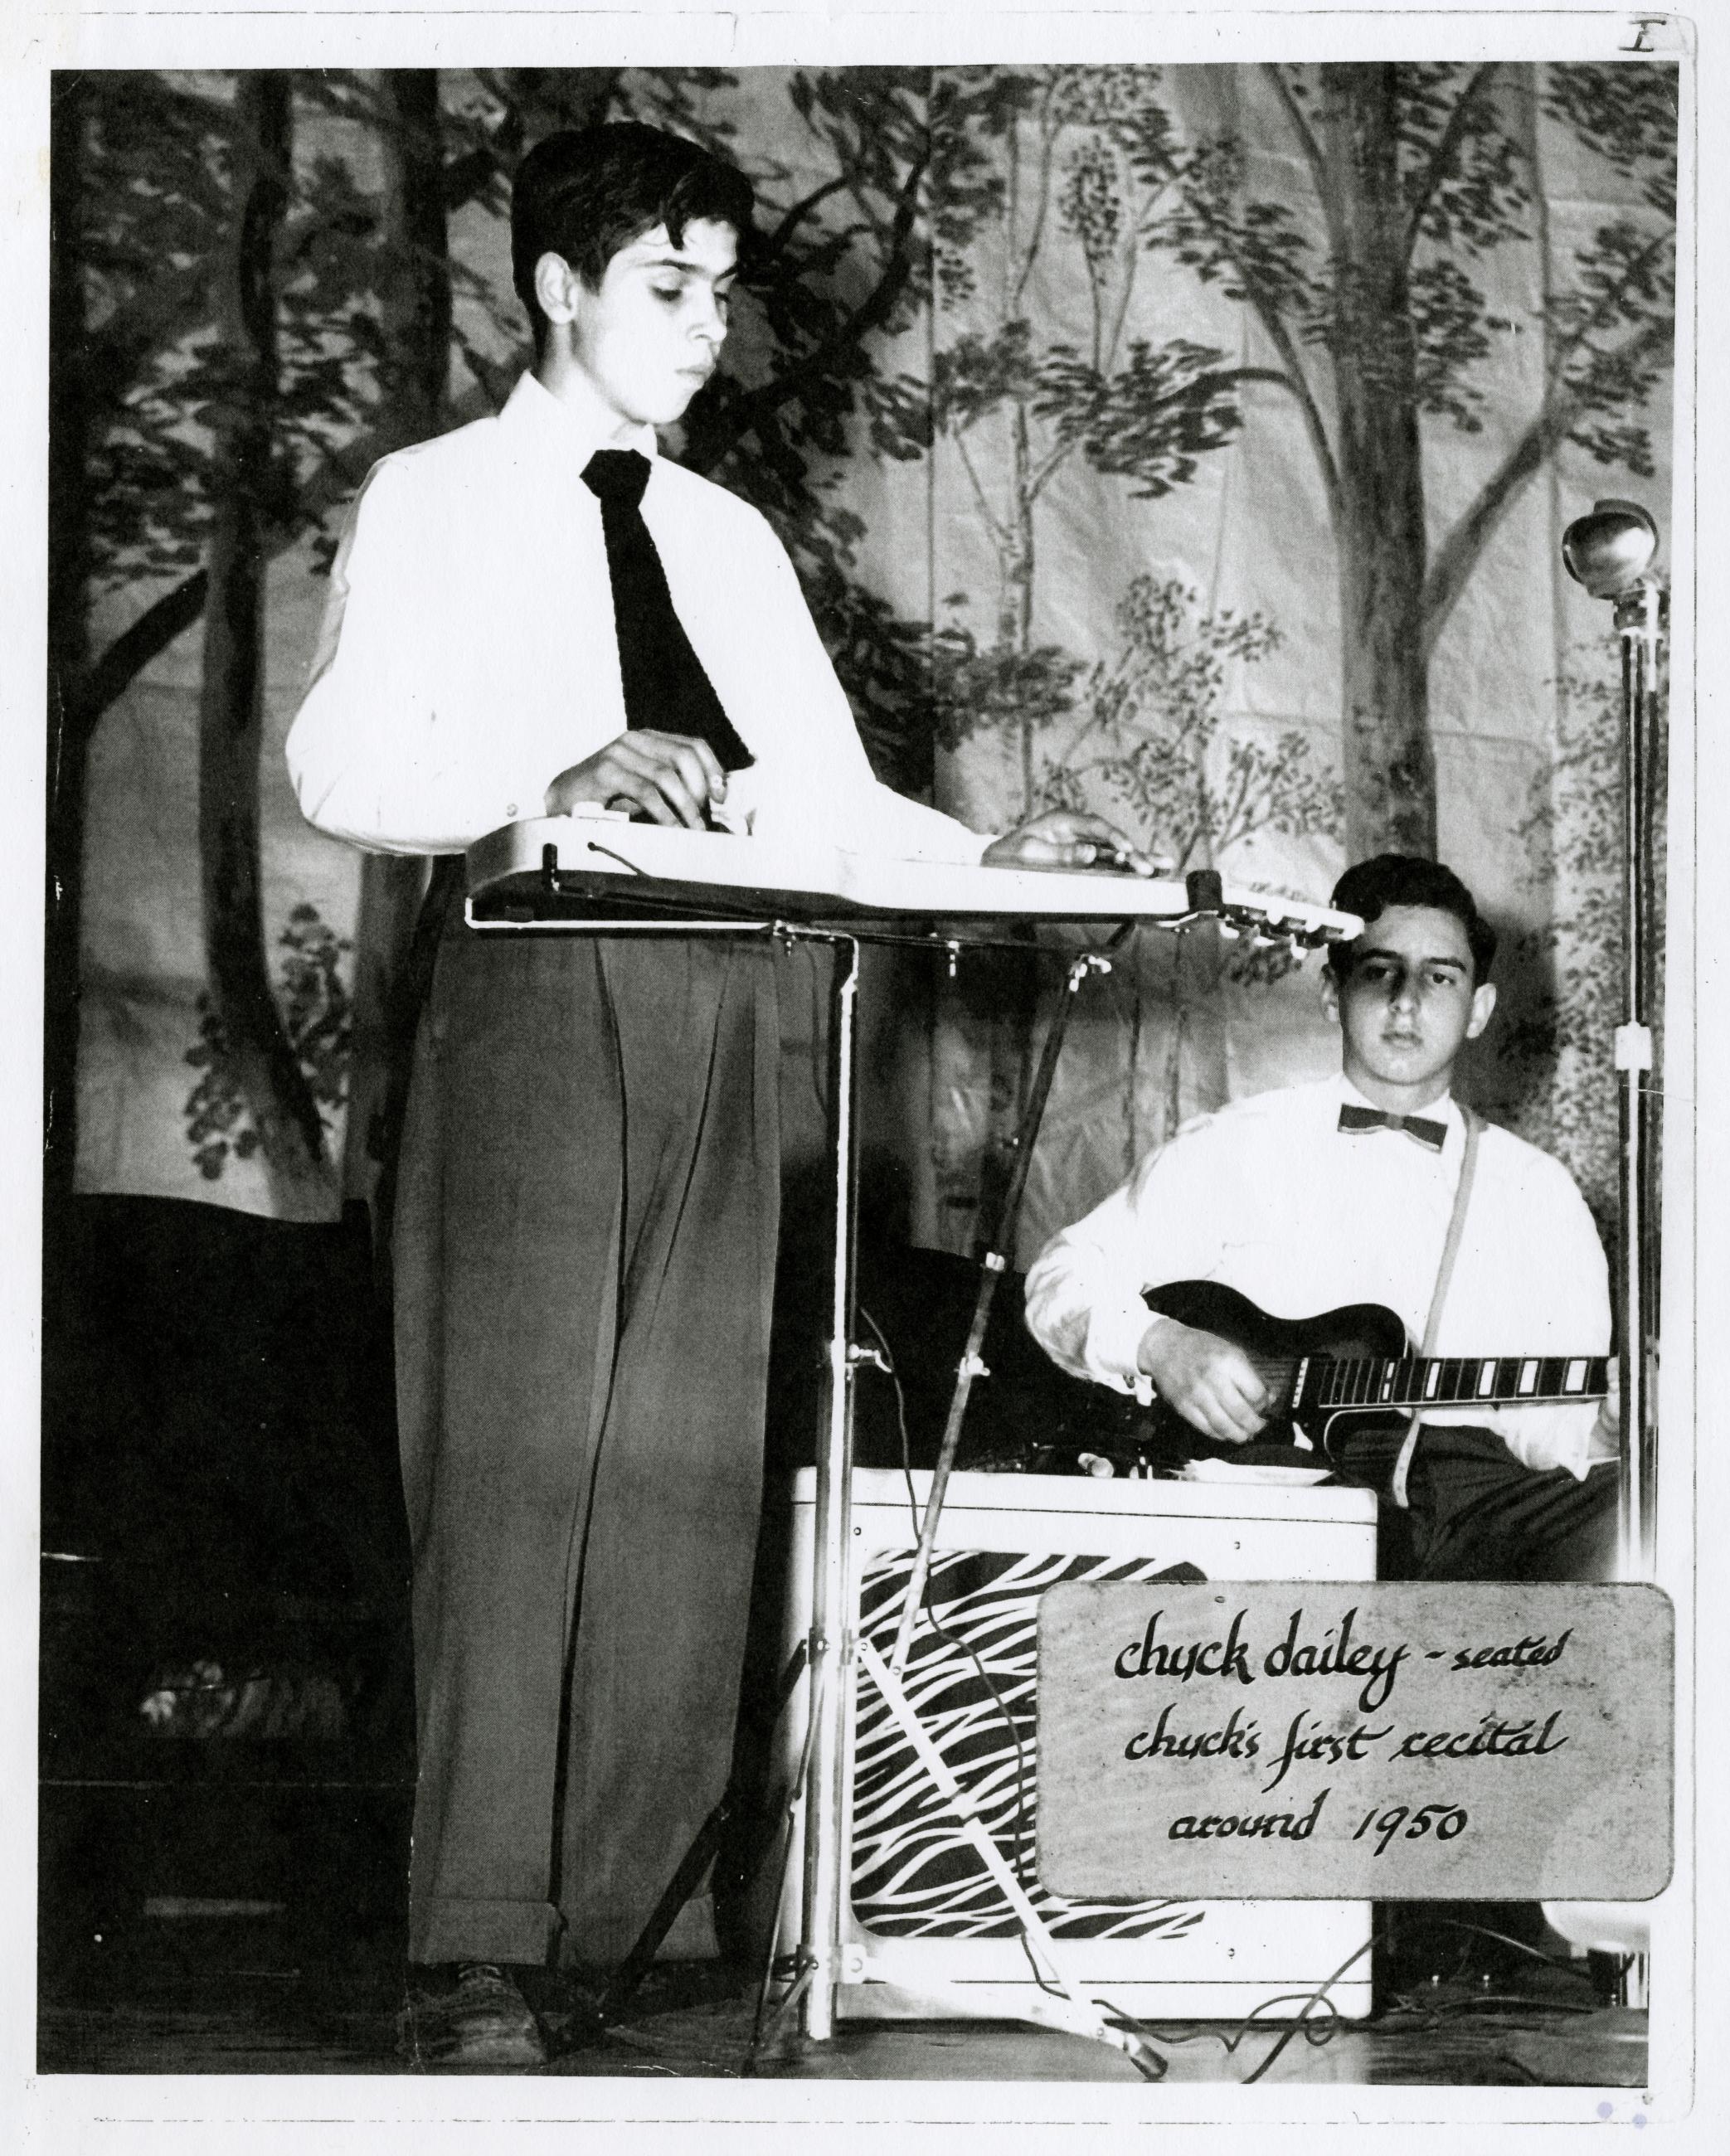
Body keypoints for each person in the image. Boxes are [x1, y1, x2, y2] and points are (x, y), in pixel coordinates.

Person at [286, 122, 1147, 2068]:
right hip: (533, 985)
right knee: (520, 1463)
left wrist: (1000, 856)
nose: (709, 326)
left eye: (723, 288)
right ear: (559, 288)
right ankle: (476, 1941)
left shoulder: (730, 539)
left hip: (741, 994)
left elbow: (824, 796)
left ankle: (626, 1919)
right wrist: (551, 774)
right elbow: (340, 761)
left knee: (680, 1475)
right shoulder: (435, 497)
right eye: (668, 288)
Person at [1024, 853, 1622, 1587]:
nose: (1407, 1002)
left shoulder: (1541, 1193)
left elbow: (1551, 1430)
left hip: (1479, 1517)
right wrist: (1161, 1344)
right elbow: (1060, 1278)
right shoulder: (1236, 1145)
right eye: (1380, 972)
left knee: (1647, 1518)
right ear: (1332, 994)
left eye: (1440, 976)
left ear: (1479, 1010)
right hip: (1273, 1518)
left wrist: (1612, 1424)